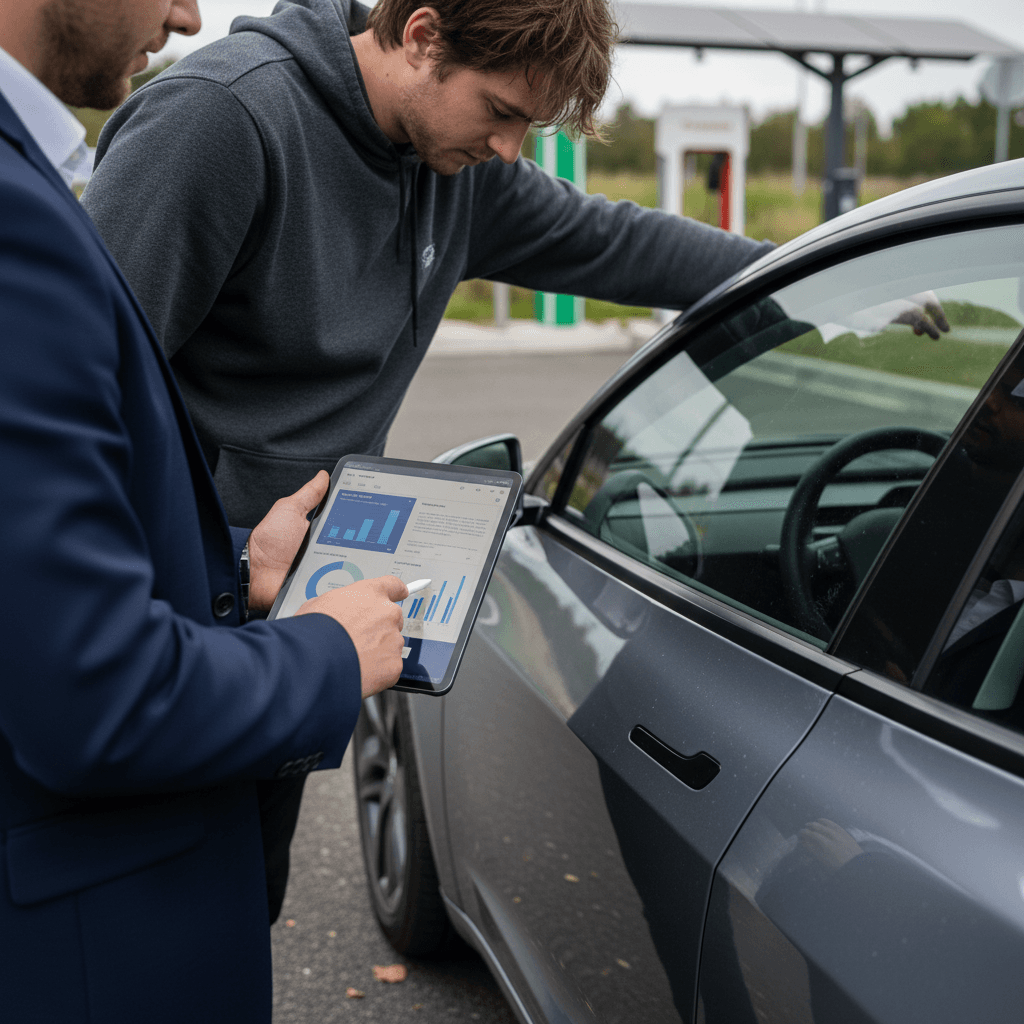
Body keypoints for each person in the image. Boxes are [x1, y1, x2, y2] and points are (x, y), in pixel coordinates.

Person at [82, 0, 776, 919]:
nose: (509, 149)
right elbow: (70, 413)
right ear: (421, 34)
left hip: (287, 635)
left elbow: (617, 242)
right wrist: (232, 558)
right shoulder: (224, 123)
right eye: (501, 111)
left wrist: (810, 267)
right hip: (159, 651)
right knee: (133, 939)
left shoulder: (454, 167)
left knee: (239, 919)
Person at [0, 2, 410, 1020]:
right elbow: (97, 700)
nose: (188, 14)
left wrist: (229, 566)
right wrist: (325, 648)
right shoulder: (20, 215)